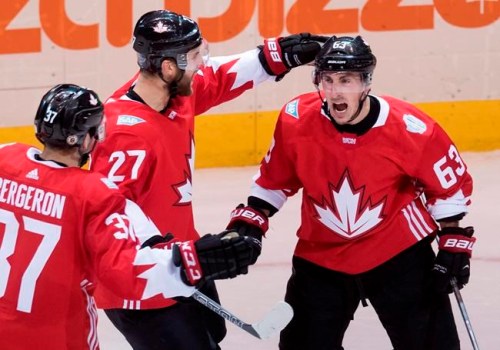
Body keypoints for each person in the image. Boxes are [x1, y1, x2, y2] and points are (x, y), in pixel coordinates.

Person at [89, 8, 326, 350]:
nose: (202, 63)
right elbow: (105, 222)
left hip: (183, 253)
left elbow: (221, 76)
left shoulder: (173, 91)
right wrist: (174, 260)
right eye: (195, 56)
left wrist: (277, 56)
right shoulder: (124, 134)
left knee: (214, 332)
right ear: (169, 66)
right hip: (141, 286)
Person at [225, 35, 476, 350]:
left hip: (398, 253)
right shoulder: (296, 119)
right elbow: (275, 179)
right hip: (321, 256)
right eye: (327, 80)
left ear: (366, 83)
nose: (334, 91)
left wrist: (454, 242)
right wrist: (251, 221)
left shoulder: (411, 128)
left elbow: (449, 188)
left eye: (346, 80)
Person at [0, 84, 258, 350]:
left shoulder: (5, 158)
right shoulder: (92, 192)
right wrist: (194, 260)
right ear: (85, 138)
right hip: (58, 337)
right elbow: (125, 273)